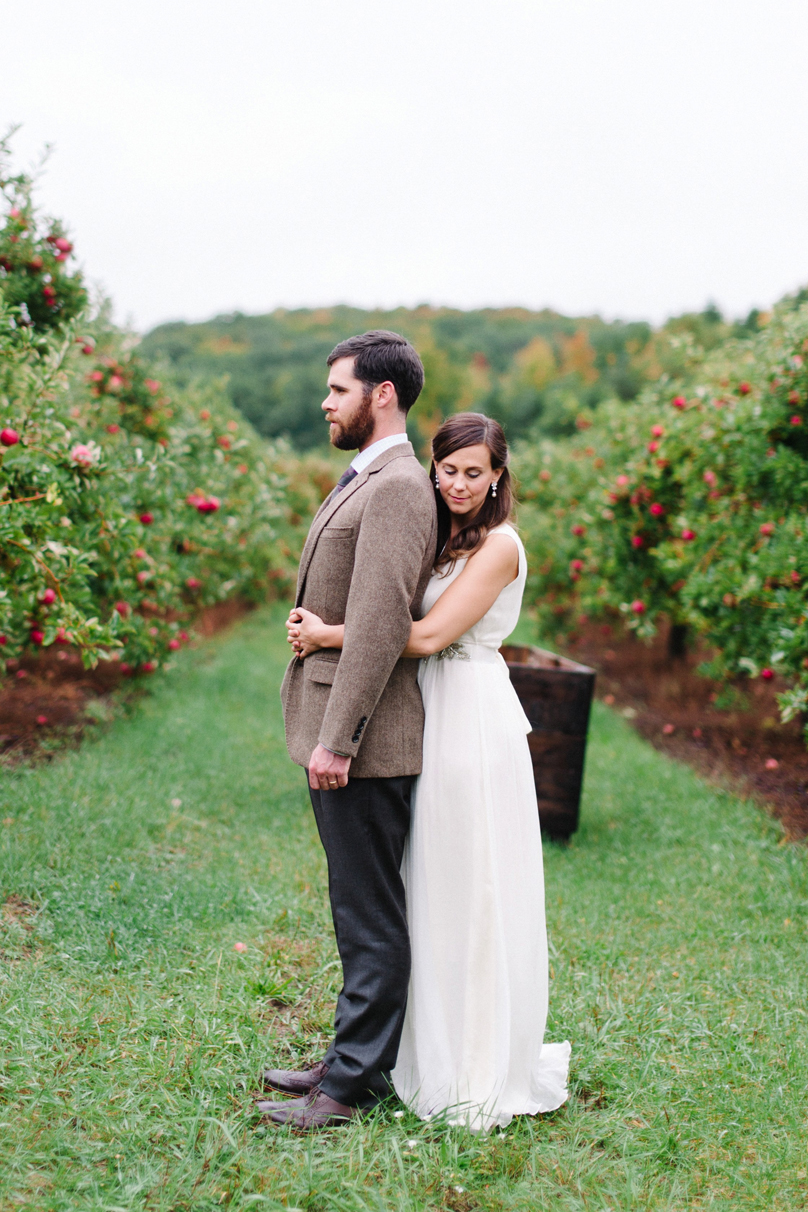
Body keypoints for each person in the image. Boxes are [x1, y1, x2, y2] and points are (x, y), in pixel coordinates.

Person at [286, 412, 571, 1131]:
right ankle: (391, 1052)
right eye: (448, 469)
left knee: (466, 884)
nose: (458, 483)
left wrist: (328, 634)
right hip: (425, 712)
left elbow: (430, 633)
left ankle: (467, 1063)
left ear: (498, 476)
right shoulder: (447, 537)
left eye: (475, 472)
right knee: (417, 887)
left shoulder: (501, 545)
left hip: (470, 718)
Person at [258, 331, 437, 1130]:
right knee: (353, 904)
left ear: (383, 394)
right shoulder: (369, 477)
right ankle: (346, 1055)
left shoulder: (397, 485)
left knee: (369, 914)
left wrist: (341, 738)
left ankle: (353, 1084)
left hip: (365, 743)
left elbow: (376, 623)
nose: (326, 403)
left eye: (338, 390)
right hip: (341, 733)